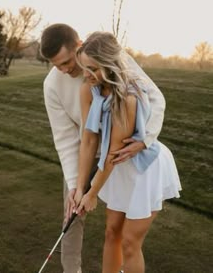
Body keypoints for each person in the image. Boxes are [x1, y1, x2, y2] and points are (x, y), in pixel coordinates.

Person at [40, 24, 166, 273]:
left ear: (79, 46)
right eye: (57, 66)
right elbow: (68, 138)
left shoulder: (113, 59)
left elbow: (156, 99)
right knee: (72, 212)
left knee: (120, 230)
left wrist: (145, 140)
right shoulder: (54, 85)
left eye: (67, 62)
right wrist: (76, 184)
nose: (65, 71)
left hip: (122, 151)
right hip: (87, 151)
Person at [74, 32, 181, 273]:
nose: (86, 74)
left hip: (145, 169)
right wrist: (80, 188)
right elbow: (88, 141)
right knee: (112, 232)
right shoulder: (87, 90)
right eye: (84, 67)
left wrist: (92, 194)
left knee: (131, 242)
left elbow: (112, 151)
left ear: (110, 65)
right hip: (119, 168)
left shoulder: (127, 98)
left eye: (93, 69)